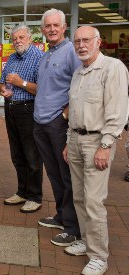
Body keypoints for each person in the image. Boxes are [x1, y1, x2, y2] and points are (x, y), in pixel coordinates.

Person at [62, 26, 128, 275]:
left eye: (86, 40)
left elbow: (118, 110)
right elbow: (75, 112)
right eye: (77, 41)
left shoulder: (113, 68)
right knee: (79, 197)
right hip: (77, 140)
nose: (81, 45)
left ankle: (99, 256)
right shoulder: (79, 72)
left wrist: (106, 145)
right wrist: (69, 141)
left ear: (98, 42)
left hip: (98, 143)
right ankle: (87, 242)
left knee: (93, 201)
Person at [34, 9, 82, 247]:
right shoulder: (46, 55)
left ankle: (73, 227)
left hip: (58, 123)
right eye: (47, 26)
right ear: (42, 30)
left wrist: (64, 114)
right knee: (54, 174)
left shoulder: (71, 51)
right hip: (41, 123)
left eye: (56, 25)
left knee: (67, 176)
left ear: (64, 28)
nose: (51, 29)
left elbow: (80, 85)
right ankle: (62, 216)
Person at [0, 25, 44, 213]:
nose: (17, 41)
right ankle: (22, 191)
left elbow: (42, 89)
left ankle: (35, 196)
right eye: (14, 38)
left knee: (32, 156)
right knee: (17, 154)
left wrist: (21, 83)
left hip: (28, 110)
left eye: (21, 37)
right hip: (11, 109)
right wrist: (3, 89)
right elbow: (2, 81)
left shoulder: (39, 58)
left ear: (30, 38)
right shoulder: (11, 58)